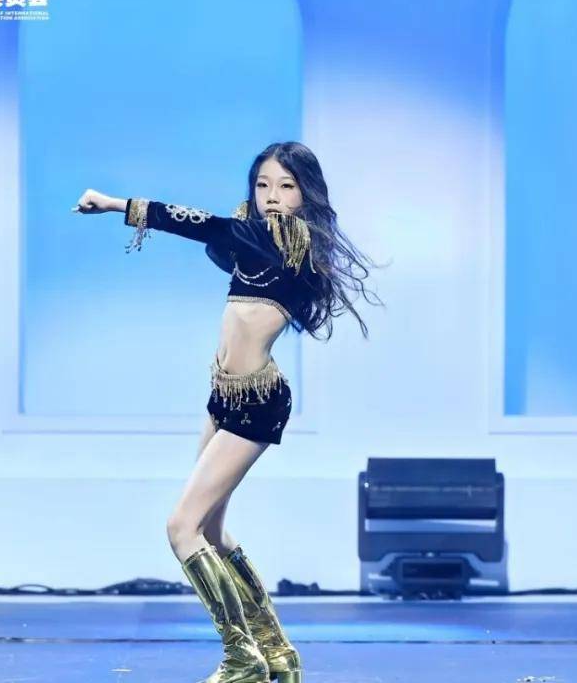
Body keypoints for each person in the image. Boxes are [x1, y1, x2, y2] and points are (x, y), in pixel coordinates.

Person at [73, 142, 384, 683]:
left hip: (256, 402)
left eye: (286, 186)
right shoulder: (256, 238)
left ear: (306, 193)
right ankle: (277, 652)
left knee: (180, 527)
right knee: (211, 531)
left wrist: (113, 203)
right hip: (225, 396)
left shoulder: (286, 240)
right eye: (263, 185)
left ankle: (242, 657)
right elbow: (219, 235)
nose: (272, 196)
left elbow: (193, 222)